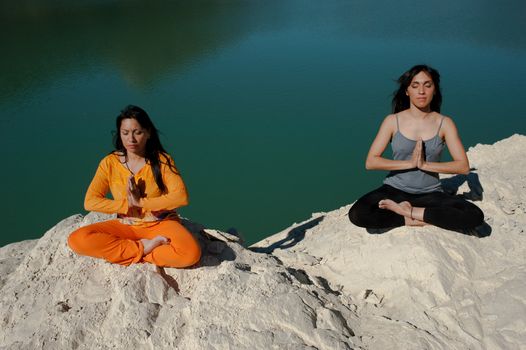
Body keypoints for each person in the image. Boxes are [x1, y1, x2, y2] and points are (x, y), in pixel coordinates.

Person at [348, 65, 484, 232]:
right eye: (415, 85)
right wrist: (410, 163)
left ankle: (410, 212)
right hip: (394, 189)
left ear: (435, 90)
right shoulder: (392, 121)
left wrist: (425, 165)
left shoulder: (445, 123)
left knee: (474, 215)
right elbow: (371, 162)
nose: (421, 91)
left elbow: (462, 167)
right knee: (358, 214)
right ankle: (413, 219)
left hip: (430, 193)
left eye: (428, 85)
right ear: (407, 91)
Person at [68, 105, 201, 267]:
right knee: (77, 239)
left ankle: (134, 252)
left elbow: (181, 197)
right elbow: (90, 201)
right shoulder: (110, 163)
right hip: (127, 225)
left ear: (148, 133)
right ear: (119, 134)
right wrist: (126, 205)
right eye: (125, 133)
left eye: (137, 132)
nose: (131, 139)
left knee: (190, 254)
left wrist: (141, 203)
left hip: (160, 224)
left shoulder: (161, 160)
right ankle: (142, 248)